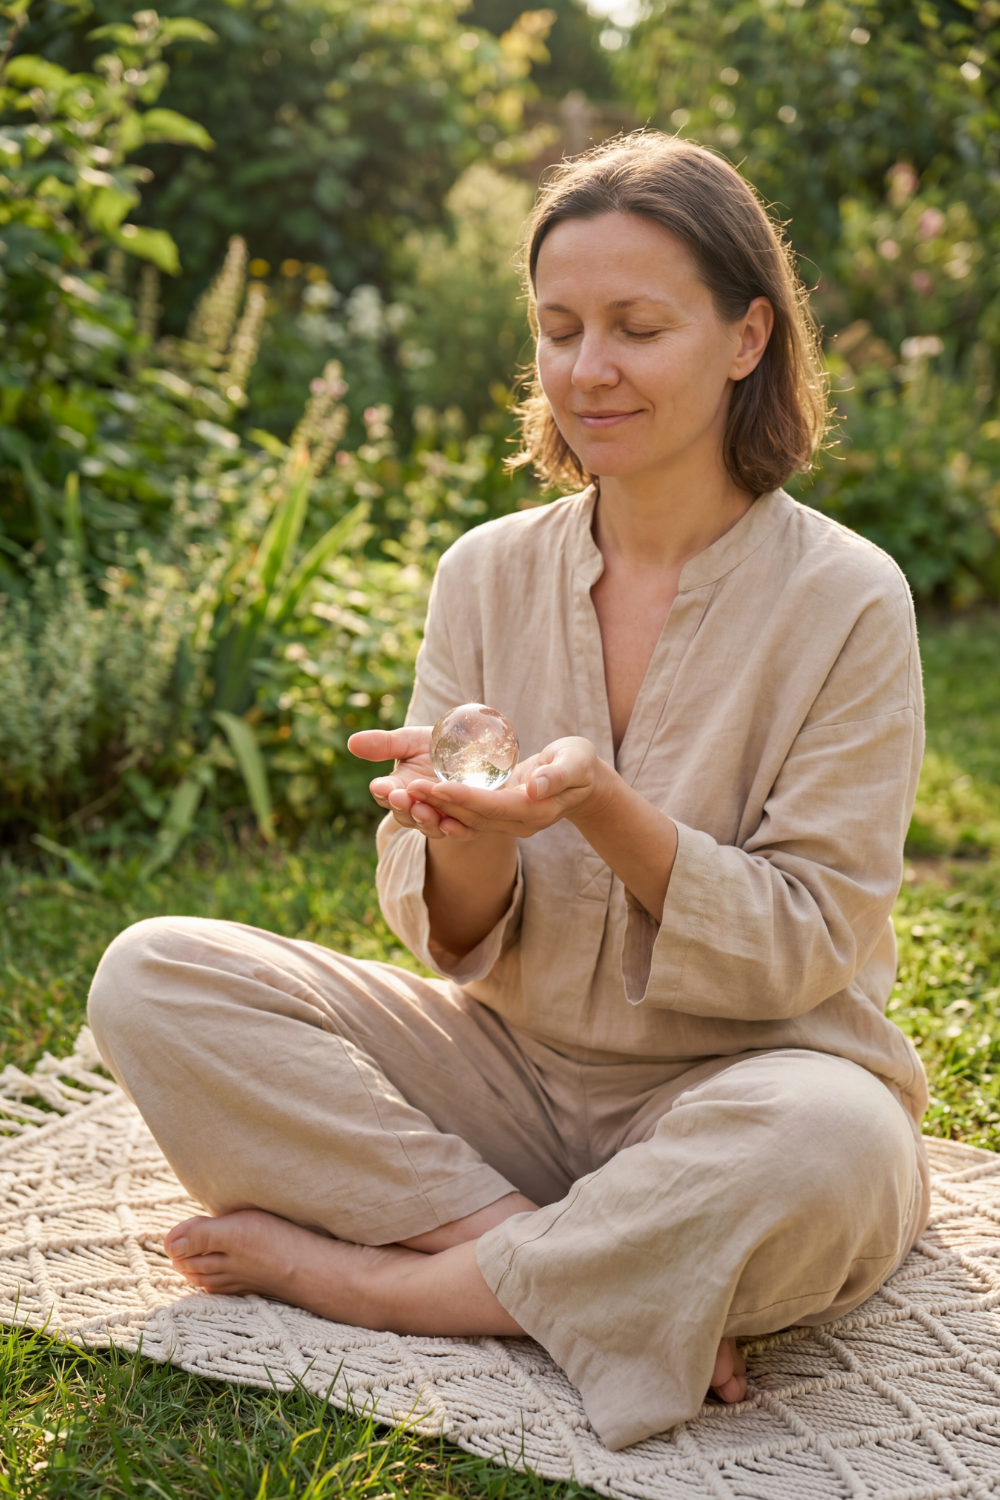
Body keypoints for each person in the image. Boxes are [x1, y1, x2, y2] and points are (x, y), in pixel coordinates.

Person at [87, 132, 930, 1453]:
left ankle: (380, 1281)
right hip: (504, 1082)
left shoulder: (848, 601)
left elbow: (809, 952)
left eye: (638, 327)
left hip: (746, 1088)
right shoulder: (485, 572)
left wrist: (604, 808)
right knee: (153, 974)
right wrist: (464, 838)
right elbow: (450, 941)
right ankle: (566, 1265)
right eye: (559, 327)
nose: (588, 369)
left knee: (838, 1148)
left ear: (747, 336)